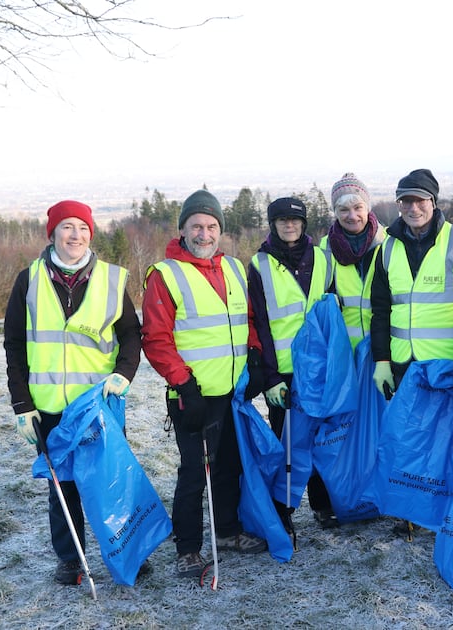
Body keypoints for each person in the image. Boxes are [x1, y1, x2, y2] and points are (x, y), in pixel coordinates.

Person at [3, 199, 142, 585]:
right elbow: (14, 345)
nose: (75, 235)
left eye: (82, 228)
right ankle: (71, 559)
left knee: (111, 483)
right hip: (49, 407)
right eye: (67, 227)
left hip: (99, 404)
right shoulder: (28, 280)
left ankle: (128, 551)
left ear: (90, 234)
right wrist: (21, 404)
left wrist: (124, 373)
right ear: (52, 234)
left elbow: (131, 334)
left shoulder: (112, 279)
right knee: (62, 488)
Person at [141, 190, 267, 580]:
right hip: (192, 396)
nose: (204, 234)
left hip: (231, 392)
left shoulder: (234, 268)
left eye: (212, 226)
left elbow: (247, 319)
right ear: (182, 230)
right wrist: (183, 384)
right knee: (195, 472)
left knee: (229, 465)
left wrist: (255, 353)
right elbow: (156, 339)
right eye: (196, 226)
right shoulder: (165, 275)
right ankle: (188, 548)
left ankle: (227, 532)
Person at [247, 196, 334, 527]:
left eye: (295, 220)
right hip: (283, 373)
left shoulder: (323, 259)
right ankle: (283, 512)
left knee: (321, 441)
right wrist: (270, 378)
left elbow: (332, 315)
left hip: (319, 369)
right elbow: (260, 324)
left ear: (304, 223)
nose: (289, 225)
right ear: (273, 224)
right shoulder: (259, 264)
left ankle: (324, 505)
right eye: (282, 220)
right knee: (287, 445)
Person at [370, 168, 453, 392]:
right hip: (403, 367)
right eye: (406, 201)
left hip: (449, 369)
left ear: (433, 202)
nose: (413, 208)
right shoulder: (387, 248)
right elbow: (381, 310)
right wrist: (382, 360)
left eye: (420, 200)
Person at [322, 173, 385, 349]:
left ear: (368, 208)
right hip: (344, 349)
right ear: (335, 212)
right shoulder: (325, 248)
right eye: (344, 210)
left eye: (358, 208)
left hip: (385, 347)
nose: (352, 216)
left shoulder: (388, 243)